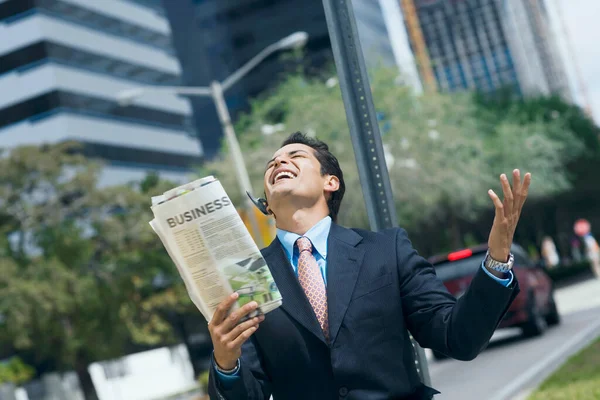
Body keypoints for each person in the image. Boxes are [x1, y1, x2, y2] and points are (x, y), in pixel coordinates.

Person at [207, 132, 530, 400]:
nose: (279, 162)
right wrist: (225, 362)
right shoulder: (248, 275)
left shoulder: (386, 250)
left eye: (296, 156)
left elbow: (457, 337)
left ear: (330, 182)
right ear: (266, 203)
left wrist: (496, 261)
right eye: (272, 163)